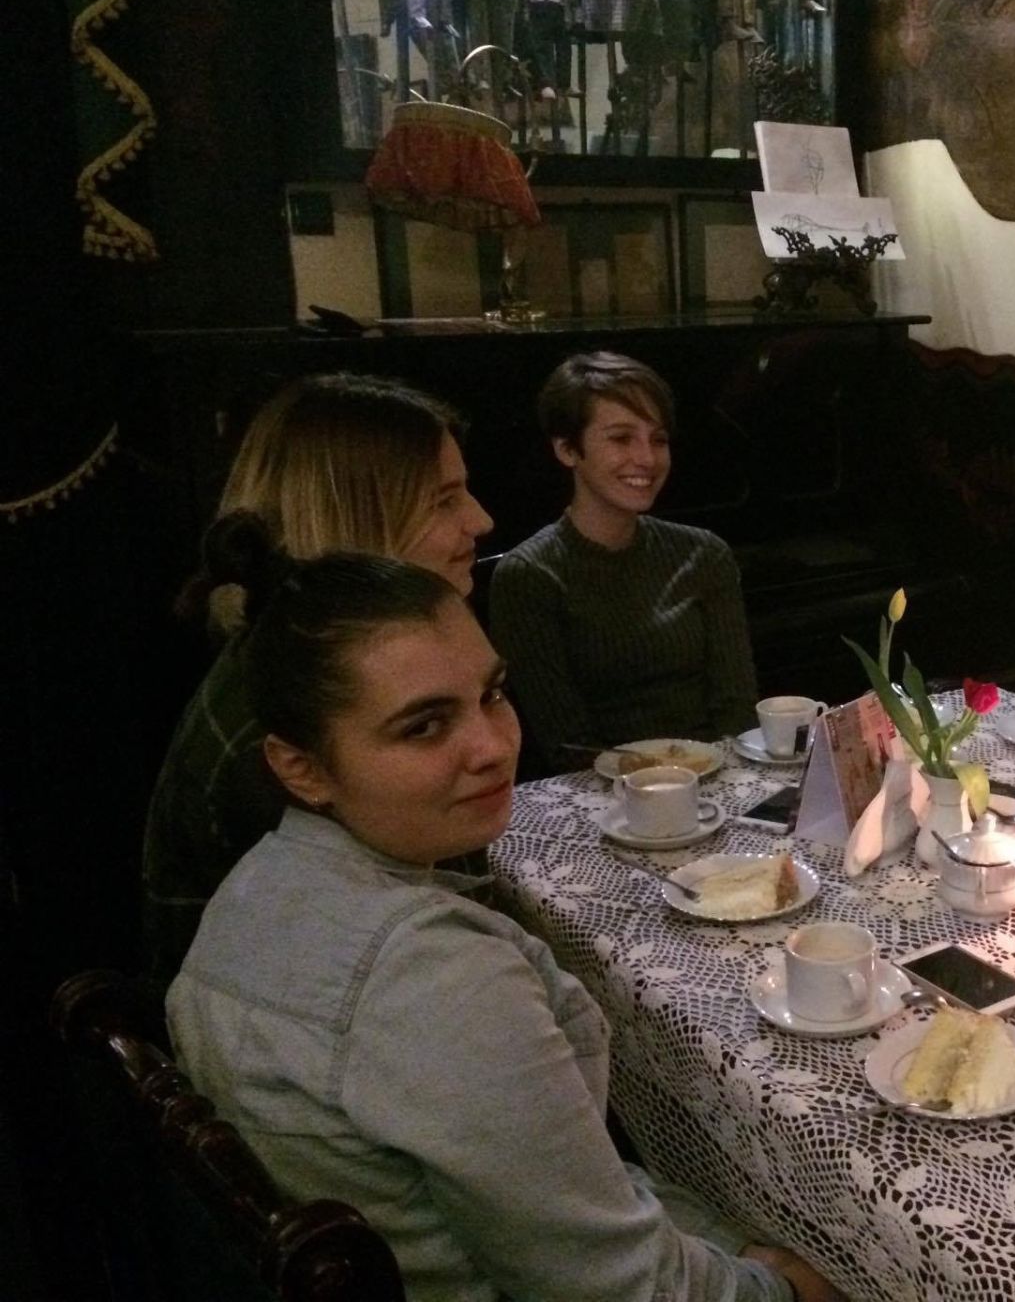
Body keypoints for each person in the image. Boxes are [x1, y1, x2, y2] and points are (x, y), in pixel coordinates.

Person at [166, 525, 839, 1302]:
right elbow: (619, 1287)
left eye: (490, 695)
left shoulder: (256, 884)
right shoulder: (437, 978)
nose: (491, 746)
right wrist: (781, 1289)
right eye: (424, 725)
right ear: (301, 767)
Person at [142, 373, 494, 981]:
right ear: (357, 519)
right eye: (444, 500)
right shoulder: (282, 716)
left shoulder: (320, 656)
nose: (481, 520)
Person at [491, 351, 755, 771]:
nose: (647, 459)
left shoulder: (704, 553)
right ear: (567, 449)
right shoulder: (530, 575)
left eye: (658, 439)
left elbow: (736, 709)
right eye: (621, 438)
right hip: (603, 790)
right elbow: (567, 743)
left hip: (716, 776)